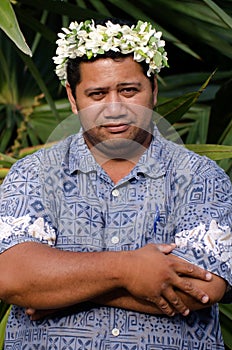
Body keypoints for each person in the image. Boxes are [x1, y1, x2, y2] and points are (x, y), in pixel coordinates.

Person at [0, 18, 231, 349]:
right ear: (73, 97)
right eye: (97, 94)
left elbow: (202, 289)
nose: (114, 108)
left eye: (128, 90)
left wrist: (58, 291)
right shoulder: (33, 173)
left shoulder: (201, 177)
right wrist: (130, 270)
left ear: (153, 88)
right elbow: (12, 277)